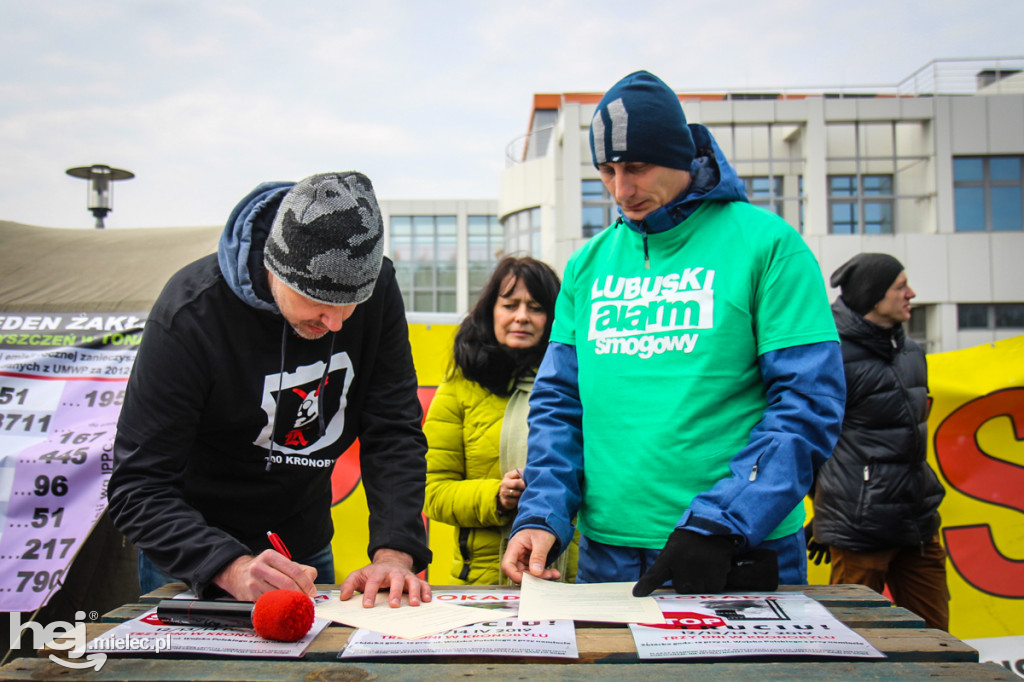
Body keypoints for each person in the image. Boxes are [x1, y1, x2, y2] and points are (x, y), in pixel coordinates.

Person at [500, 70, 847, 594]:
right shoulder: (586, 265)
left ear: (680, 154)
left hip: (734, 546)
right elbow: (558, 403)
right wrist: (541, 513)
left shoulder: (770, 245)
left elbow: (807, 403)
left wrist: (724, 520)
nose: (622, 189)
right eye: (607, 170)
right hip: (609, 550)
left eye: (637, 167)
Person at [108, 171, 432, 608]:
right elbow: (138, 487)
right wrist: (230, 566)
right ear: (274, 268)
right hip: (194, 553)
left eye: (348, 305)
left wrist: (396, 551)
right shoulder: (192, 313)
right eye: (319, 301)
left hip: (301, 547)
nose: (336, 322)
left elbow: (393, 429)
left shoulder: (375, 292)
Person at [808, 253, 948, 630]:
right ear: (873, 296)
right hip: (860, 528)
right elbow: (806, 436)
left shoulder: (912, 351)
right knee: (853, 642)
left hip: (918, 524)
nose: (911, 294)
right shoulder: (828, 354)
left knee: (938, 640)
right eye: (900, 287)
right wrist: (823, 511)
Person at [423, 256, 576, 584]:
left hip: (567, 577)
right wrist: (496, 496)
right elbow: (432, 491)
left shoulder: (576, 387)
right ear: (490, 310)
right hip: (483, 585)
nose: (522, 317)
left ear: (553, 318)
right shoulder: (459, 387)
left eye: (535, 307)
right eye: (510, 305)